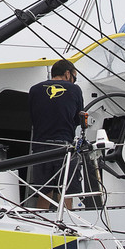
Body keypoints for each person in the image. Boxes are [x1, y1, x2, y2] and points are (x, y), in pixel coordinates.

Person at [27, 59, 86, 209]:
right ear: (67, 74)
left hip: (40, 149)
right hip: (64, 147)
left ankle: (42, 227)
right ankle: (67, 224)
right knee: (66, 193)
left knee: (44, 193)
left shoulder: (34, 90)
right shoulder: (75, 90)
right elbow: (77, 118)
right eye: (74, 77)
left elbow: (33, 117)